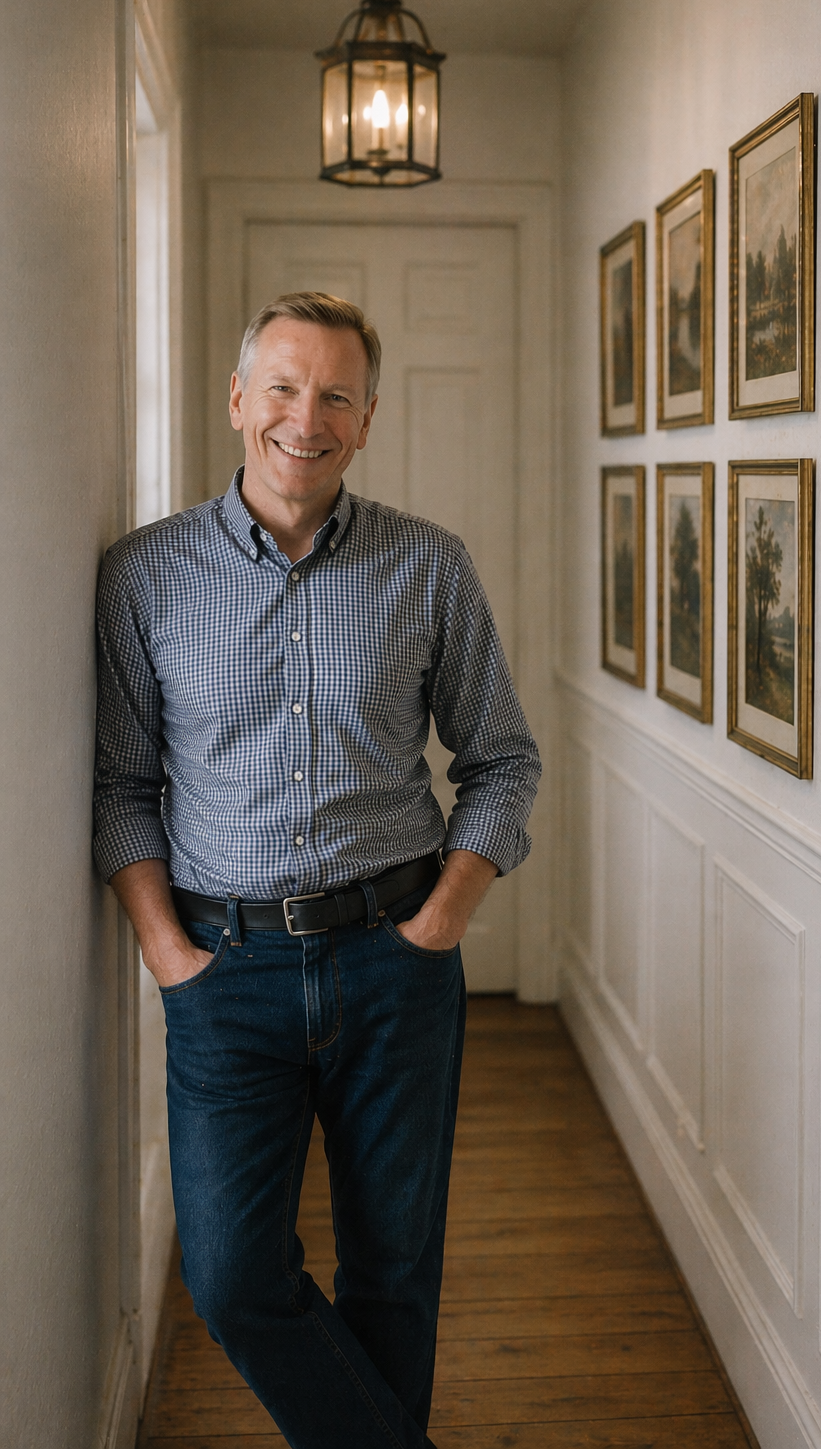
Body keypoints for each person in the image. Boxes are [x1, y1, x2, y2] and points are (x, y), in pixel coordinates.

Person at [93, 291, 541, 1449]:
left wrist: (438, 924)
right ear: (239, 400)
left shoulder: (427, 567)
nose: (308, 416)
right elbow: (122, 787)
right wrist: (169, 955)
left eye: (336, 393)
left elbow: (500, 762)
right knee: (235, 1278)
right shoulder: (145, 576)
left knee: (392, 1270)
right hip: (223, 975)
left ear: (368, 417)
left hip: (394, 963)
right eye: (283, 387)